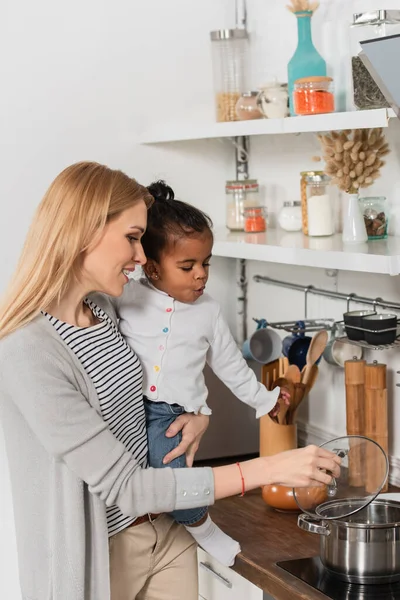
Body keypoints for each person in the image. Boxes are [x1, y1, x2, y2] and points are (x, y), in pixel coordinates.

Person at [0, 162, 341, 600]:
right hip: (99, 555)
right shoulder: (28, 349)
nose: (142, 258)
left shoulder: (106, 311)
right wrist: (269, 468)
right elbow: (126, 487)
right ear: (83, 231)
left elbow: (161, 381)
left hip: (167, 532)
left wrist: (199, 415)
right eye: (132, 238)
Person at [114, 180, 290, 566]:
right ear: (154, 267)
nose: (201, 275)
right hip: (126, 408)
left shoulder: (207, 310)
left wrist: (266, 400)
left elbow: (229, 363)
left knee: (173, 478)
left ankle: (203, 528)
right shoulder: (126, 294)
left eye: (206, 263)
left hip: (171, 415)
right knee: (131, 482)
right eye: (188, 266)